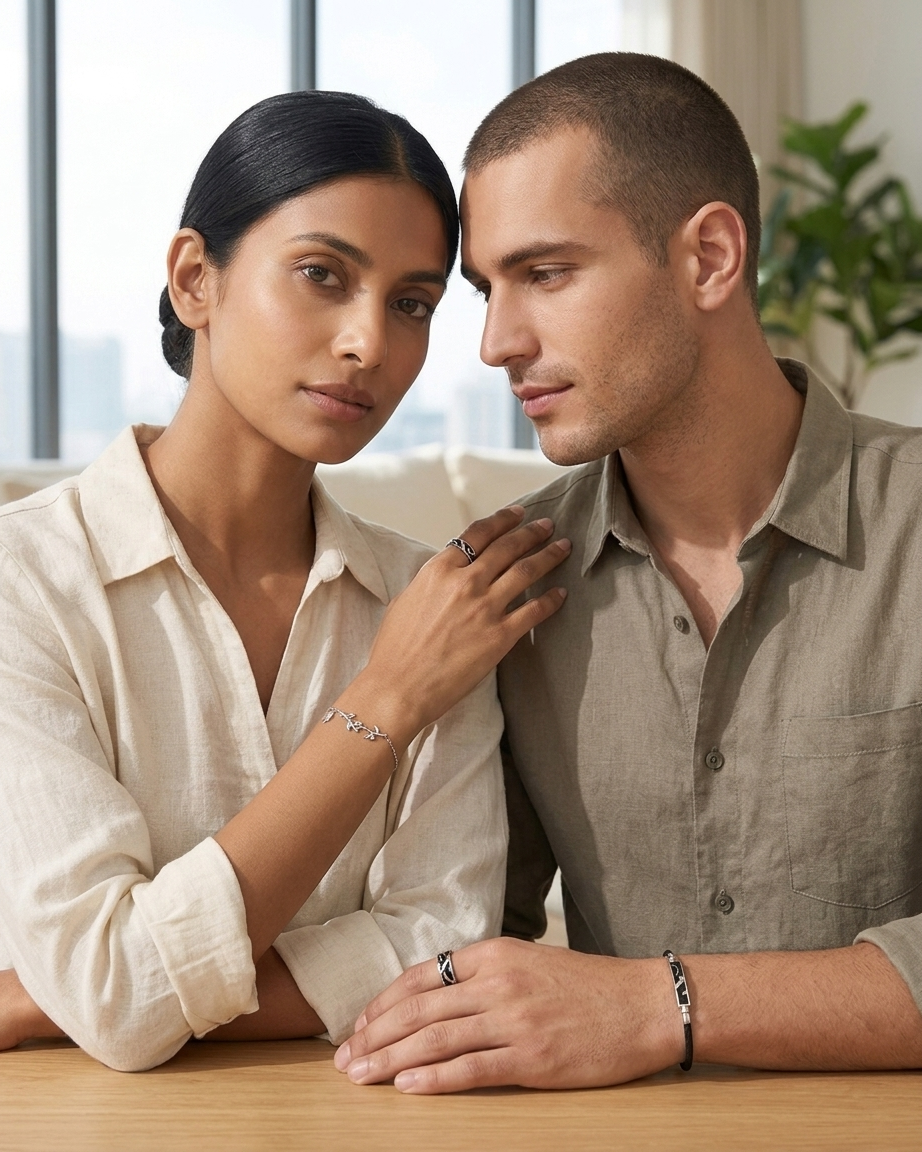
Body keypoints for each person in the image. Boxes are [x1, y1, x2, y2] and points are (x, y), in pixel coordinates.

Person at [334, 53, 922, 1092]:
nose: (496, 342)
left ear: (709, 258)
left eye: (546, 274)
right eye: (486, 290)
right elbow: (451, 930)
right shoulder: (507, 587)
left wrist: (659, 1005)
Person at [0, 91, 570, 1071]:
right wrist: (385, 699)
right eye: (321, 275)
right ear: (195, 280)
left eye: (412, 304)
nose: (368, 344)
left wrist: (51, 1000)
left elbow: (441, 940)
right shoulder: (26, 583)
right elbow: (115, 993)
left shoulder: (431, 602)